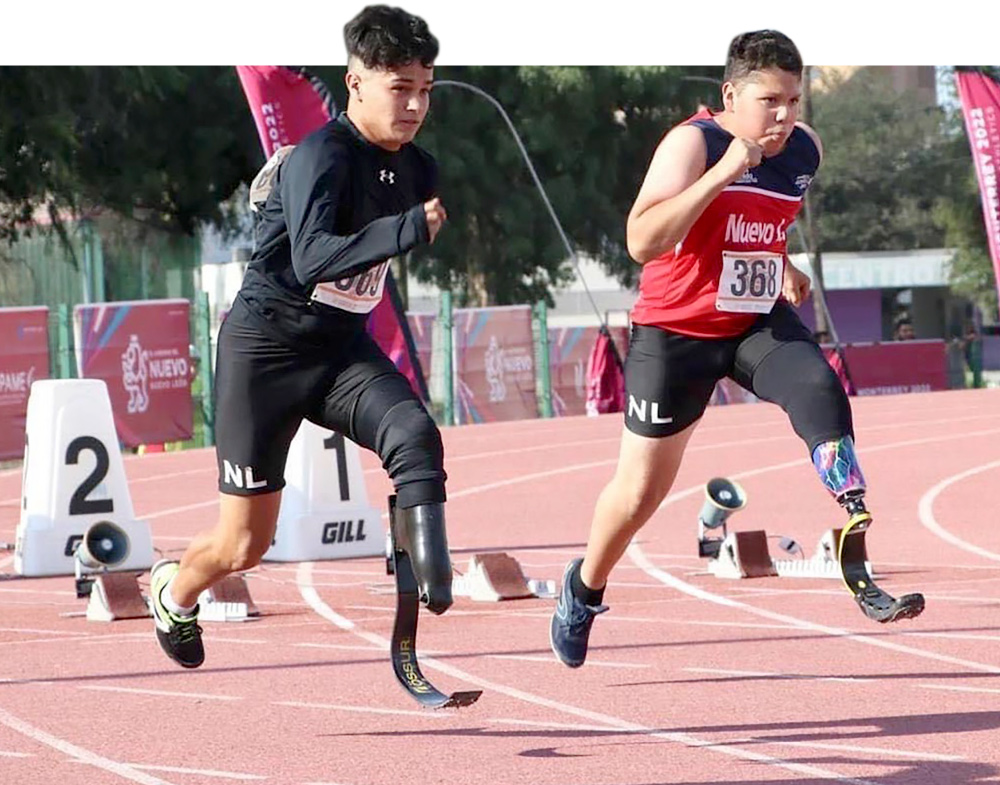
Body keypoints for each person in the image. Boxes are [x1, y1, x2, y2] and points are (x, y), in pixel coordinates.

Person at [550, 30, 924, 669]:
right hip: (676, 334)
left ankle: (853, 517)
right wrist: (722, 173)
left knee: (819, 387)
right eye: (769, 101)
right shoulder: (693, 143)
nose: (784, 116)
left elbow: (761, 220)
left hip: (753, 323)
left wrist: (781, 260)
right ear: (730, 94)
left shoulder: (805, 149)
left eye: (795, 100)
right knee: (640, 493)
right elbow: (642, 239)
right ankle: (584, 588)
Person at [150, 5, 453, 668]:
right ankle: (174, 589)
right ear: (355, 83)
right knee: (244, 546)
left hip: (340, 351)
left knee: (414, 433)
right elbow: (315, 256)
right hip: (265, 353)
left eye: (425, 89)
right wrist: (404, 229)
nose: (414, 105)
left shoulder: (413, 167)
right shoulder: (320, 155)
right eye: (399, 89)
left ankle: (427, 586)